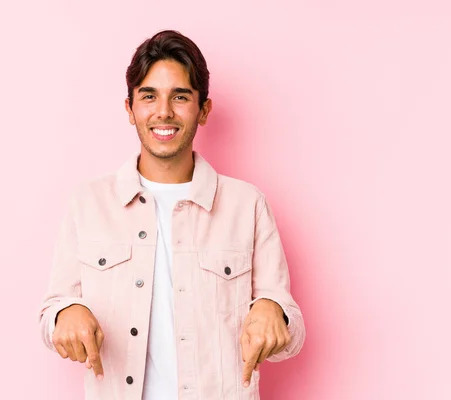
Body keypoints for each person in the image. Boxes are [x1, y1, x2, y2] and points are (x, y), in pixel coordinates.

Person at [38, 29, 305, 400]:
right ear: (130, 109)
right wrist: (65, 313)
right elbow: (51, 312)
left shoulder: (248, 205)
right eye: (149, 96)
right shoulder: (87, 203)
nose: (163, 111)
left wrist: (272, 309)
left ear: (204, 109)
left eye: (180, 97)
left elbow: (292, 331)